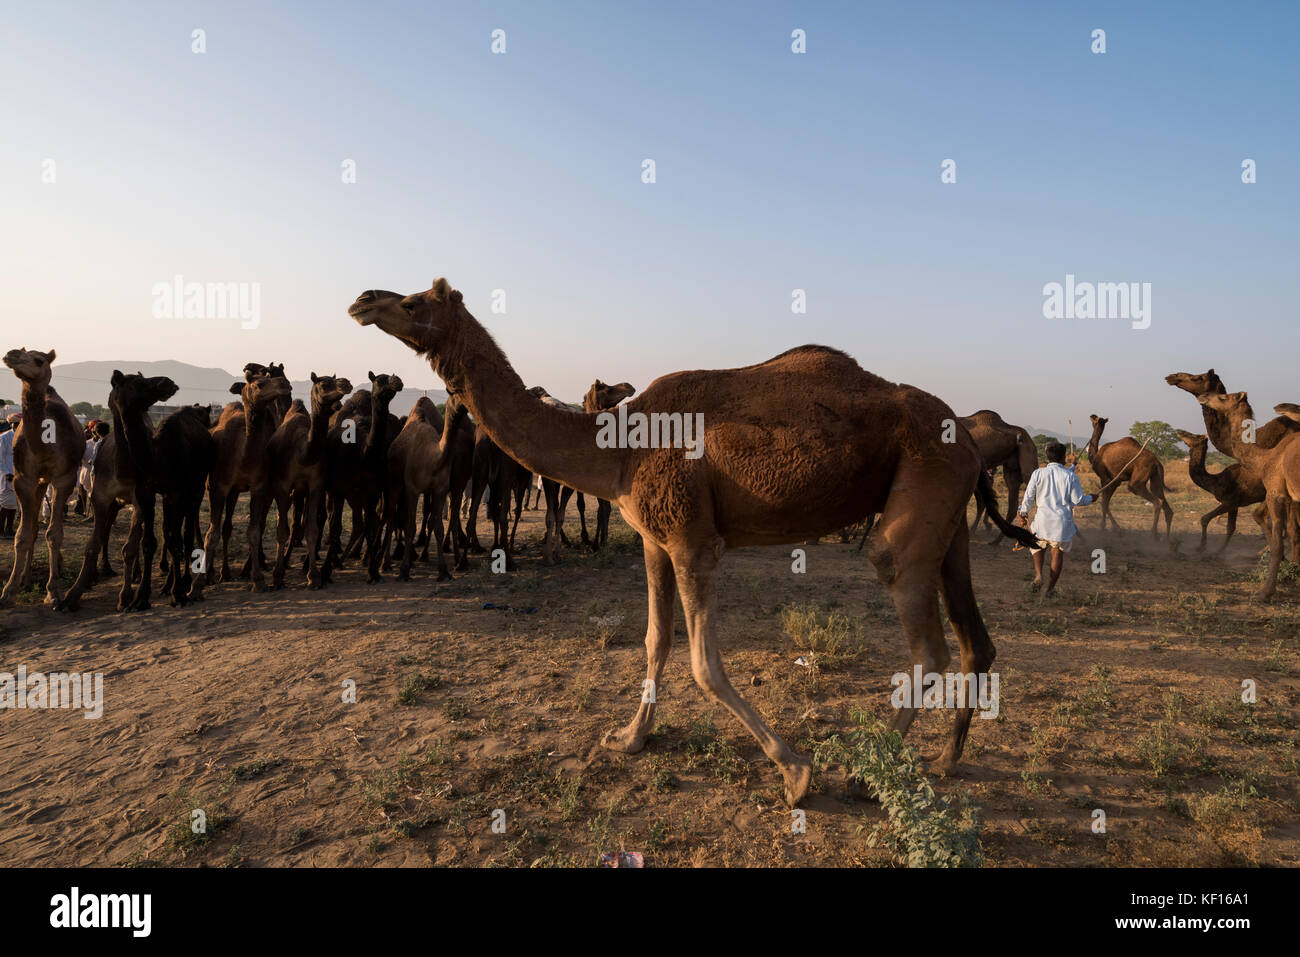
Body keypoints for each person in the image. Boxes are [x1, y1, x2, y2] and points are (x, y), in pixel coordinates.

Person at [1017, 440, 1095, 594]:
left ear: (1047, 456)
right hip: (1061, 525)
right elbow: (1078, 500)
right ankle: (1049, 589)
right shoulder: (1070, 477)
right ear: (1064, 457)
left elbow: (1028, 497)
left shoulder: (1038, 473)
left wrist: (1023, 513)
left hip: (1041, 522)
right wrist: (1092, 498)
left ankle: (1039, 575)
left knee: (1037, 549)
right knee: (1057, 554)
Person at [0, 413, 20, 539]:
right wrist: (7, 473)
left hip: (18, 476)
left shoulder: (23, 437)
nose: (18, 426)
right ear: (11, 424)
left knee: (13, 504)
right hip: (5, 475)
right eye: (16, 424)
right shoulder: (4, 438)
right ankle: (1, 530)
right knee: (5, 504)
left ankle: (10, 528)